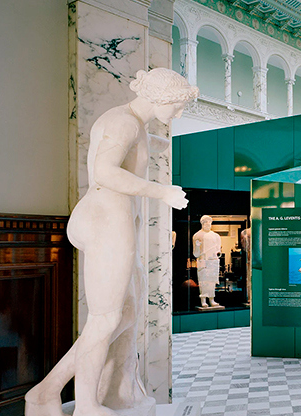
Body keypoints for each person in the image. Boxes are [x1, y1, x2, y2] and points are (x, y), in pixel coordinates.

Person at [25, 68, 197, 416]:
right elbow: (105, 172)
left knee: (125, 315)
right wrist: (160, 191)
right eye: (177, 105)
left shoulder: (135, 125)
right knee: (105, 319)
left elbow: (139, 147)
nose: (179, 114)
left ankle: (56, 391)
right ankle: (85, 404)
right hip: (106, 219)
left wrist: (158, 145)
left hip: (113, 219)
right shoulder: (125, 123)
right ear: (158, 98)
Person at [193, 215, 222, 308]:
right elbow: (196, 254)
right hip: (203, 261)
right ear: (202, 224)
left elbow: (219, 251)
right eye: (205, 223)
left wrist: (217, 253)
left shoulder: (216, 236)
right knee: (203, 281)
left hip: (213, 262)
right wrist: (198, 246)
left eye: (209, 223)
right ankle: (203, 300)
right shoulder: (197, 235)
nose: (208, 225)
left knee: (212, 282)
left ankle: (211, 299)